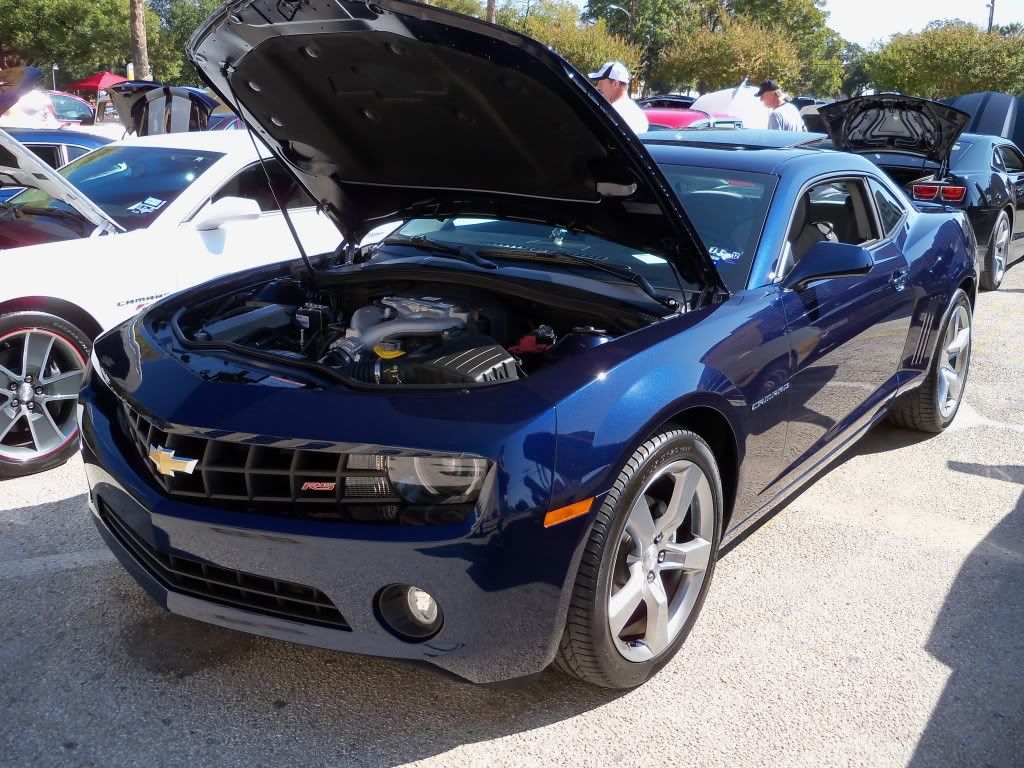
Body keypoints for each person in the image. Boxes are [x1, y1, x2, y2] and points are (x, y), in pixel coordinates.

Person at [588, 61, 649, 134]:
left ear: (615, 84)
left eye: (601, 83)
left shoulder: (612, 113)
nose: (597, 87)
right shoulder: (639, 114)